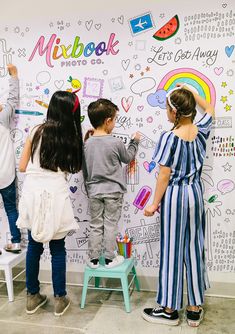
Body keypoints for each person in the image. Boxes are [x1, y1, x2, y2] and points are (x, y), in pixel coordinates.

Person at [142, 84, 214, 327]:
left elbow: (164, 174)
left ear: (174, 112)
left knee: (173, 250)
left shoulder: (169, 137)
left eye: (167, 108)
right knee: (194, 248)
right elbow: (210, 108)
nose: (166, 111)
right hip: (195, 193)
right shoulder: (201, 130)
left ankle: (169, 309)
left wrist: (153, 204)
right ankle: (194, 309)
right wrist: (192, 92)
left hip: (174, 196)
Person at [16, 90, 83, 316]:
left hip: (33, 194)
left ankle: (32, 296)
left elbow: (23, 166)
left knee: (34, 247)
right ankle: (59, 299)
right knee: (57, 249)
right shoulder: (71, 137)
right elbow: (75, 168)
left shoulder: (35, 131)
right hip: (56, 194)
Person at [84, 98, 140, 269]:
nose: (115, 123)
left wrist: (89, 188)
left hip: (94, 191)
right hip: (113, 192)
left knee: (95, 225)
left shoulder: (87, 143)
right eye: (114, 120)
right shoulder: (115, 142)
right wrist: (135, 142)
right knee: (110, 225)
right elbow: (128, 157)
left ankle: (93, 259)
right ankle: (109, 259)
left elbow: (85, 169)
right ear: (108, 121)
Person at [0, 64, 22, 254]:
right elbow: (12, 99)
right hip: (5, 174)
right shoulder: (3, 119)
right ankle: (15, 242)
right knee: (10, 208)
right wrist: (14, 76)